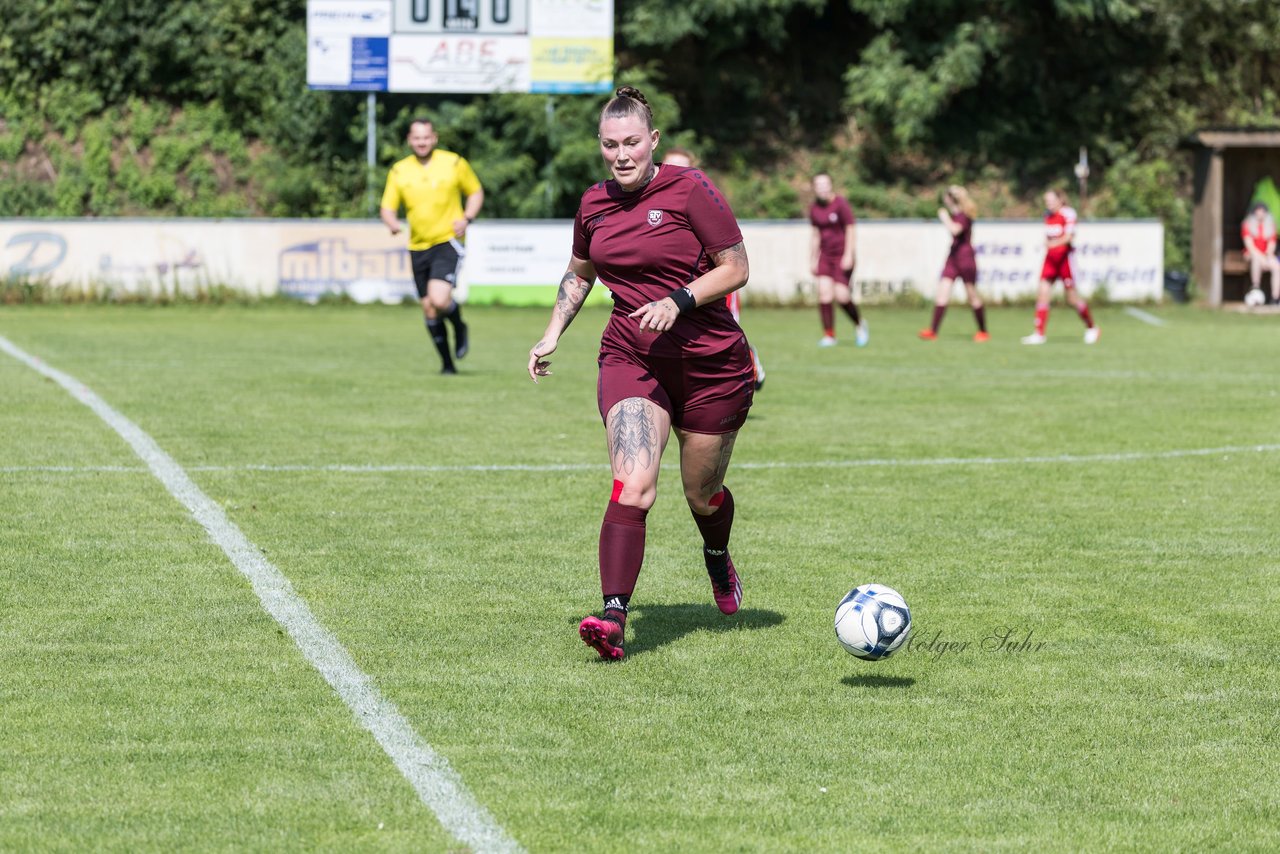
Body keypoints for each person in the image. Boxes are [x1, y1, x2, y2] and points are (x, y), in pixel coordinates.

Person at [528, 87, 754, 661]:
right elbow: (579, 272)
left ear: (652, 141)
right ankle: (613, 617)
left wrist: (679, 300)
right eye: (610, 144)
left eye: (632, 142)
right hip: (633, 355)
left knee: (701, 495)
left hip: (711, 366)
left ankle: (716, 560)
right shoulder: (594, 203)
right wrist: (553, 331)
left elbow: (737, 269)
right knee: (634, 484)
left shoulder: (690, 187)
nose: (621, 154)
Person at [380, 118, 485, 374]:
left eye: (426, 137)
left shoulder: (453, 163)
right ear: (409, 140)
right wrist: (392, 222)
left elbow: (475, 191)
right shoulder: (399, 170)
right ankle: (447, 365)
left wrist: (467, 218)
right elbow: (387, 207)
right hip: (417, 246)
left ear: (434, 138)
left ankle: (459, 326)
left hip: (447, 241)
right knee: (428, 308)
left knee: (438, 299)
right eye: (417, 138)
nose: (422, 142)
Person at [662, 146, 766, 390]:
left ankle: (748, 363)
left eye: (683, 168)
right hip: (677, 287)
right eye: (671, 167)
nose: (677, 173)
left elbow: (731, 257)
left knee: (722, 334)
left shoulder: (706, 201)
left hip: (715, 285)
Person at [1021, 189, 1099, 345]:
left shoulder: (1068, 214)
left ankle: (1091, 327)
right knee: (1042, 293)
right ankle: (1039, 333)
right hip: (1050, 260)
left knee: (1071, 299)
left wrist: (1052, 244)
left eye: (1050, 200)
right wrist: (1048, 244)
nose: (1048, 203)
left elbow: (1069, 237)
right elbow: (1047, 236)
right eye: (1046, 201)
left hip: (1065, 260)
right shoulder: (1047, 215)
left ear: (1060, 200)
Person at [919, 185, 988, 342]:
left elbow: (955, 230)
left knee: (972, 295)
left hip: (965, 258)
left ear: (951, 199)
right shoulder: (956, 214)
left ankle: (983, 331)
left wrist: (944, 218)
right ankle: (933, 331)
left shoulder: (964, 215)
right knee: (942, 292)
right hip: (953, 257)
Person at [809, 174, 867, 347]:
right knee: (824, 293)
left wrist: (849, 254)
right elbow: (815, 235)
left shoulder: (840, 204)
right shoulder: (814, 208)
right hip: (825, 256)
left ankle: (859, 324)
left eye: (825, 184)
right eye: (818, 185)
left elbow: (850, 228)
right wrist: (812, 258)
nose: (822, 188)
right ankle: (829, 335)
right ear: (814, 188)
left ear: (831, 186)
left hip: (842, 255)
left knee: (841, 295)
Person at [1241, 202, 1280, 304]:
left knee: (1277, 266)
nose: (1260, 213)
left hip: (1266, 255)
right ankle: (1256, 287)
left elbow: (1272, 244)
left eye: (1263, 211)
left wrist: (1267, 255)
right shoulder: (1247, 224)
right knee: (1256, 260)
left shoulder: (1271, 226)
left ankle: (1275, 297)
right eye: (1258, 210)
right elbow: (1250, 246)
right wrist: (1262, 258)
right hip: (1252, 255)